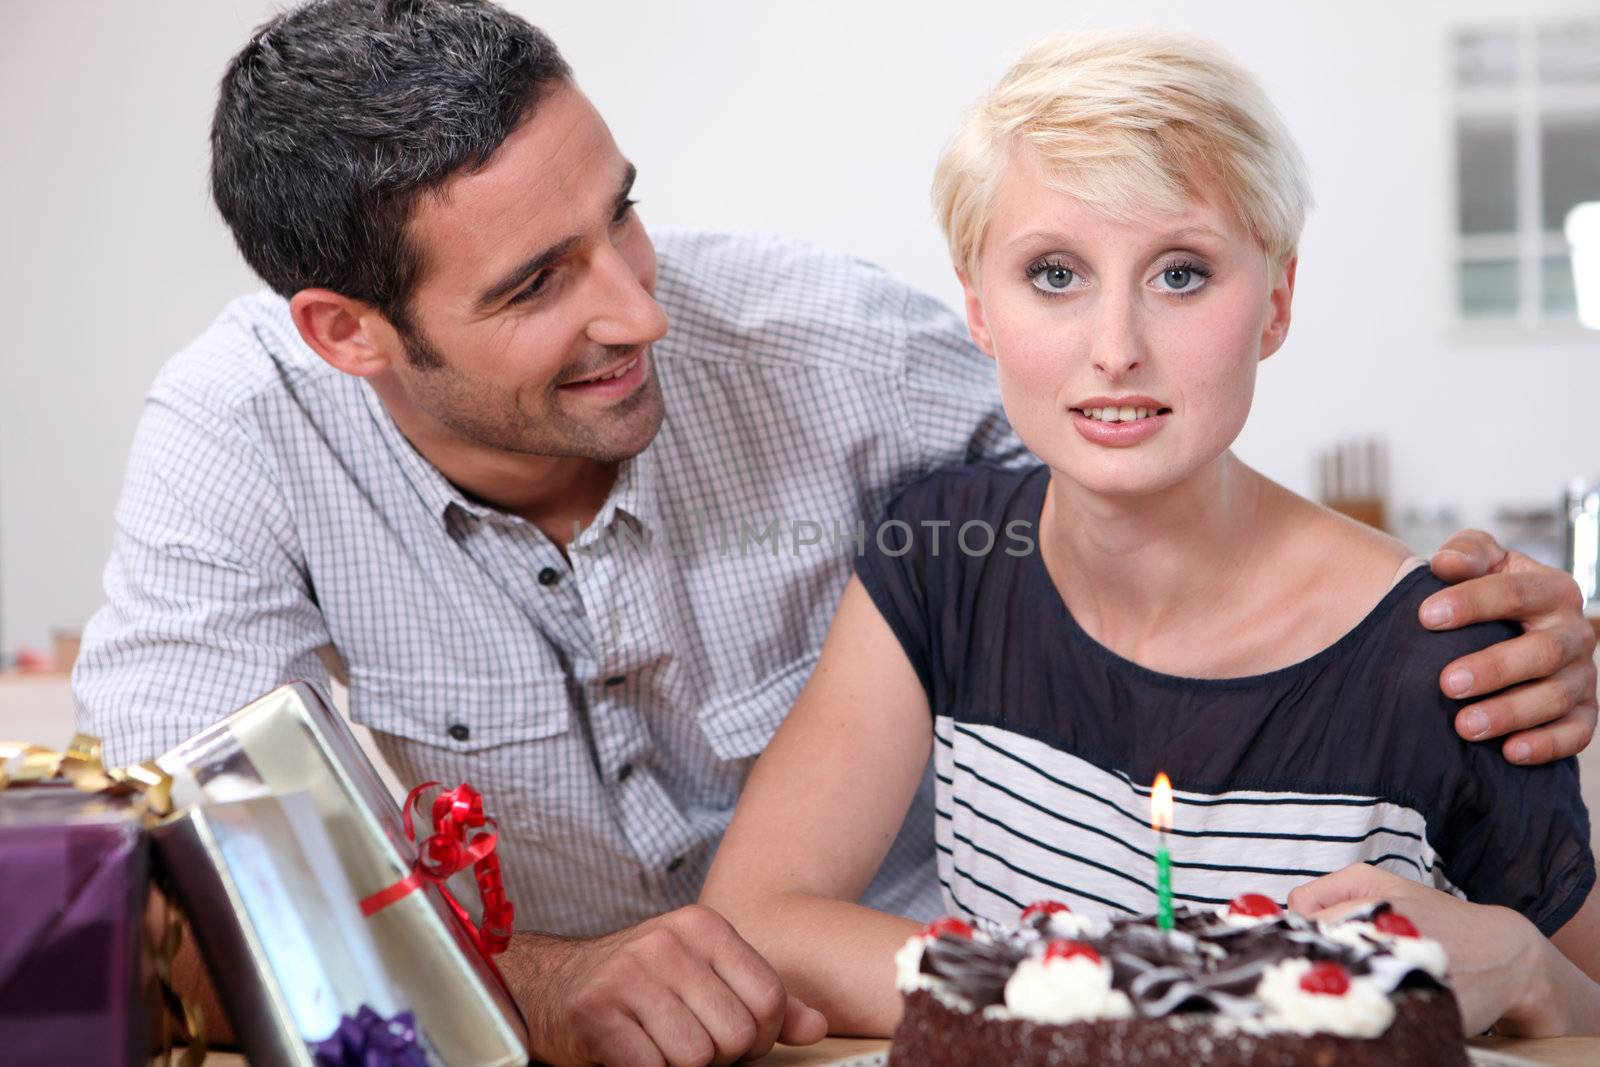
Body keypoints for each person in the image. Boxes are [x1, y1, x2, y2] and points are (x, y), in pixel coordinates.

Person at [70, 3, 1594, 1064]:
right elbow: (179, 886)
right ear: (350, 331)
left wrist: (1507, 620)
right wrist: (535, 983)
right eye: (539, 283)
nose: (640, 307)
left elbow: (1126, 487)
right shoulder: (236, 442)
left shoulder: (842, 352)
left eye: (625, 214)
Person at [699, 28, 1600, 1039]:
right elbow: (749, 920)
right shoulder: (940, 556)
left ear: (1277, 300)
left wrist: (1524, 967)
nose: (1115, 349)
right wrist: (1137, 995)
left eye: (1179, 274)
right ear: (978, 309)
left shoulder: (1444, 650)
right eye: (1052, 273)